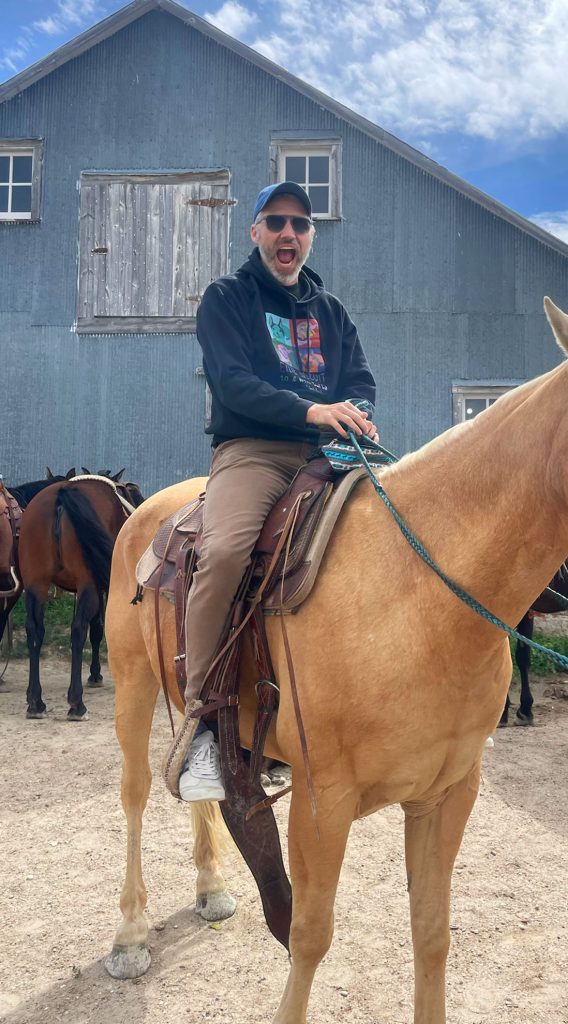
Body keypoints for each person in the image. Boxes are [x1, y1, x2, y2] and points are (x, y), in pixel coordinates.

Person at [177, 181, 378, 801]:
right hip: (254, 451)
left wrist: (357, 415)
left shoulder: (332, 311)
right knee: (227, 553)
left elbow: (361, 380)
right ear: (256, 232)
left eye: (299, 224)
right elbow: (232, 384)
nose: (288, 233)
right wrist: (312, 412)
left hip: (328, 453)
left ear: (310, 236)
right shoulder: (227, 298)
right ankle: (204, 721)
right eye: (276, 222)